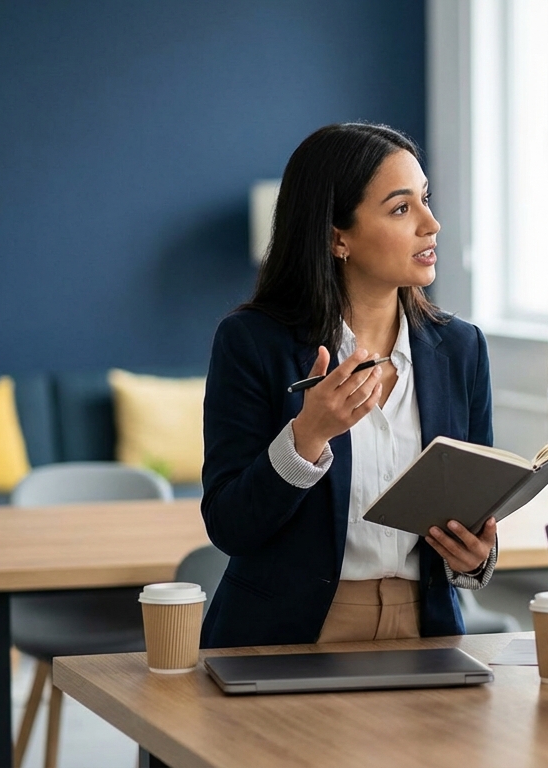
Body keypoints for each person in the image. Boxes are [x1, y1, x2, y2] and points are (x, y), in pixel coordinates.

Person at [199, 123, 499, 649]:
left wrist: (475, 559)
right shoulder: (252, 342)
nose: (432, 224)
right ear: (338, 236)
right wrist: (306, 437)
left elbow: (470, 514)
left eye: (424, 200)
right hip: (292, 636)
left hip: (425, 634)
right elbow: (230, 526)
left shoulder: (462, 349)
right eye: (401, 208)